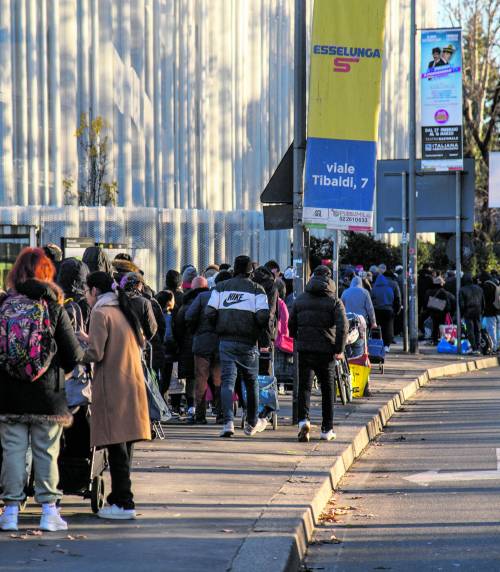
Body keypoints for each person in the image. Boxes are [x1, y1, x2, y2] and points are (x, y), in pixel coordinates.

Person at [0, 248, 84, 532]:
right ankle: (48, 510)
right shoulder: (54, 307)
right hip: (48, 394)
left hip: (9, 392)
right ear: (48, 273)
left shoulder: (4, 306)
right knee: (46, 451)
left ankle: (10, 511)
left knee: (13, 449)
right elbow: (73, 355)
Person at [80, 271, 150, 520]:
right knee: (125, 448)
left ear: (94, 291)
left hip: (113, 387)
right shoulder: (122, 309)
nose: (86, 297)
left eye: (86, 291)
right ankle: (120, 499)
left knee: (116, 448)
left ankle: (124, 503)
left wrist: (76, 350)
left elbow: (96, 353)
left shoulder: (100, 312)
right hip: (131, 385)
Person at [206, 255, 269, 438]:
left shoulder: (220, 287)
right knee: (251, 382)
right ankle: (251, 422)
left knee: (227, 382)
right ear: (251, 271)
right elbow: (263, 317)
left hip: (226, 341)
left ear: (234, 269)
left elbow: (209, 312)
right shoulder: (258, 290)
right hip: (248, 343)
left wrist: (219, 326)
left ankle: (228, 423)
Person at [289, 265, 348, 443]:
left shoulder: (300, 299)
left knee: (304, 387)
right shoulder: (334, 301)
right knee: (328, 389)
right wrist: (339, 349)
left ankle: (303, 422)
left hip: (305, 349)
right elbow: (343, 327)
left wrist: (297, 338)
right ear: (330, 280)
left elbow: (292, 323)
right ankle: (326, 428)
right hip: (326, 351)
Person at [186, 276, 221, 424]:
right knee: (220, 380)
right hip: (220, 343)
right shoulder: (222, 297)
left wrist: (195, 331)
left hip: (201, 343)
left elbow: (189, 316)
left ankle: (200, 416)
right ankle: (222, 415)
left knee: (201, 380)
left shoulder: (201, 297)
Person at [174, 275, 207, 423]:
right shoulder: (212, 301)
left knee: (192, 378)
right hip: (209, 345)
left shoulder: (185, 304)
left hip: (188, 345)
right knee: (212, 378)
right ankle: (220, 413)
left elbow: (178, 327)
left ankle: (193, 408)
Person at [371, 269, 401, 352]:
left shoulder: (375, 285)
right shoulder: (393, 285)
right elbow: (397, 299)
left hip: (376, 310)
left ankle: (376, 345)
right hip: (388, 310)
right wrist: (397, 310)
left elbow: (371, 297)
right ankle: (386, 345)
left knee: (377, 327)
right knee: (388, 328)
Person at [423, 276, 456, 345]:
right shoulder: (446, 293)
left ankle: (435, 339)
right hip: (443, 312)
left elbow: (426, 302)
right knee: (443, 326)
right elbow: (451, 303)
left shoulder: (429, 292)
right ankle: (444, 339)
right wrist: (449, 312)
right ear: (442, 284)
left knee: (435, 325)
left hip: (433, 312)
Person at [459, 273, 485, 354]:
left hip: (468, 311)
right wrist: (482, 311)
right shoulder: (479, 288)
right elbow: (483, 301)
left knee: (470, 330)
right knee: (477, 329)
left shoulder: (462, 290)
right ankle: (478, 347)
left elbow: (462, 304)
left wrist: (462, 314)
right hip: (478, 310)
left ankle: (474, 348)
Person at [479, 272, 500, 353]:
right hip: (498, 310)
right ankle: (498, 346)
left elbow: (484, 300)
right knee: (498, 330)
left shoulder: (487, 286)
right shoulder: (496, 283)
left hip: (490, 312)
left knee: (491, 330)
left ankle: (493, 347)